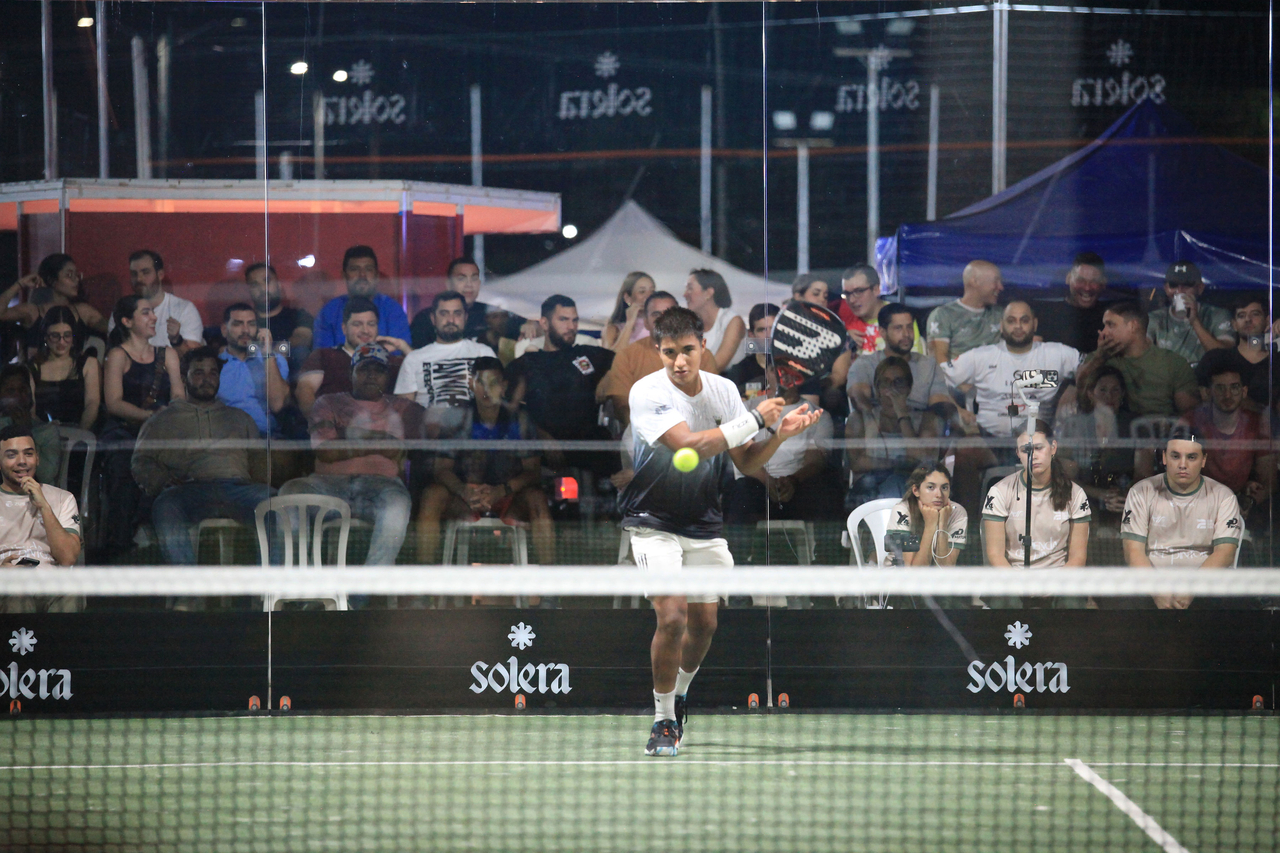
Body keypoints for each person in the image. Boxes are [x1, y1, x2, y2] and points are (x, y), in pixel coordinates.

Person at [620, 306, 821, 756]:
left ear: (703, 345)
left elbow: (746, 462)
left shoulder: (723, 391)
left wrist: (779, 435)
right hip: (653, 521)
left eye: (688, 350)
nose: (679, 362)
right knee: (672, 616)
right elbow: (688, 445)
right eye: (669, 352)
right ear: (658, 350)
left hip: (704, 522)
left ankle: (680, 695)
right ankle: (663, 718)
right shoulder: (647, 392)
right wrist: (756, 419)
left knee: (705, 623)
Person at [281, 344, 423, 580]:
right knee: (290, 492)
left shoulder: (402, 407)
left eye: (378, 371)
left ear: (388, 376)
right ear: (351, 374)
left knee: (398, 504)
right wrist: (379, 440)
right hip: (329, 487)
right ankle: (299, 581)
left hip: (379, 489)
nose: (371, 376)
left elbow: (435, 433)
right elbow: (326, 452)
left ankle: (368, 588)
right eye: (364, 369)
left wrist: (346, 435)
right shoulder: (328, 403)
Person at [132, 347, 274, 569]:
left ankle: (271, 584)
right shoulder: (163, 420)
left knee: (277, 503)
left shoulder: (239, 418)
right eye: (198, 373)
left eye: (213, 373)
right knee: (165, 506)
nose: (207, 379)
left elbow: (259, 461)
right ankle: (188, 586)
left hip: (238, 489)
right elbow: (141, 461)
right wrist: (162, 479)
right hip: (191, 490)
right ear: (183, 378)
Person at [416, 357, 553, 566]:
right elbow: (441, 469)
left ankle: (549, 582)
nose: (487, 390)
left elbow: (533, 471)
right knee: (432, 495)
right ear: (471, 384)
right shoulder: (456, 418)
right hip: (465, 499)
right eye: (481, 382)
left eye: (494, 382)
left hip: (509, 497)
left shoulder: (519, 419)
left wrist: (502, 490)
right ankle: (423, 579)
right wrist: (463, 490)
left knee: (537, 498)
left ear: (504, 386)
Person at [100, 294, 185, 561]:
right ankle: (122, 541)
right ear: (127, 321)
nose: (154, 317)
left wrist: (166, 419)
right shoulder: (117, 355)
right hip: (126, 432)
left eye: (153, 312)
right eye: (146, 312)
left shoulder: (167, 354)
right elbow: (114, 403)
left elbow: (179, 395)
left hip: (161, 432)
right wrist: (150, 417)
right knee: (125, 464)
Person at [725, 364, 838, 560]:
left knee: (826, 489)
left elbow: (815, 460)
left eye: (789, 370)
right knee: (739, 493)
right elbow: (742, 455)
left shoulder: (818, 415)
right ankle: (737, 567)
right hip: (757, 484)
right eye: (776, 370)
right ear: (767, 373)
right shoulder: (746, 410)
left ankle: (824, 565)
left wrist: (793, 481)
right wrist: (768, 481)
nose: (782, 376)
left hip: (797, 486)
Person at [1121, 431, 1242, 609]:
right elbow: (1133, 552)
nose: (1183, 465)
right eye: (1175, 456)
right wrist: (1157, 590)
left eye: (1191, 457)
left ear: (1203, 460)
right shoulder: (1140, 492)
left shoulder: (1224, 496)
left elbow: (1225, 553)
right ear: (1164, 457)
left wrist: (1192, 588)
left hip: (1205, 587)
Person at [506, 295, 618, 478]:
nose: (571, 326)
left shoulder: (588, 354)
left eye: (575, 320)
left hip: (589, 449)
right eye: (563, 320)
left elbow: (625, 362)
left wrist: (610, 375)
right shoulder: (528, 363)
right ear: (544, 323)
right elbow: (508, 409)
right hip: (543, 452)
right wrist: (540, 435)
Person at [982, 421, 1091, 606]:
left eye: (1039, 448)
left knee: (1072, 603)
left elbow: (1078, 557)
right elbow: (995, 554)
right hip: (1012, 578)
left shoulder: (1076, 494)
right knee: (1005, 602)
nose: (1033, 456)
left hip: (1059, 580)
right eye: (1026, 450)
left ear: (1053, 448)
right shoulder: (999, 492)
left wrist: (1052, 585)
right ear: (1018, 454)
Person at [941, 301, 1081, 442]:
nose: (1018, 326)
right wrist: (958, 410)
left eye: (1024, 321)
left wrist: (1074, 388)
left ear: (1035, 324)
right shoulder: (980, 357)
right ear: (1001, 326)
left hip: (1040, 443)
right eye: (1011, 321)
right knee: (966, 449)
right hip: (988, 441)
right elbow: (938, 379)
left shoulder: (1057, 354)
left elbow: (1091, 367)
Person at [595, 291, 720, 429]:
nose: (664, 320)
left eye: (670, 313)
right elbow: (622, 406)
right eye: (656, 314)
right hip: (642, 432)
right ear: (646, 322)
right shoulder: (627, 356)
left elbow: (712, 404)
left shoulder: (702, 356)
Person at [0, 425, 81, 613]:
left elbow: (68, 558)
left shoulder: (63, 498)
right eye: (11, 455)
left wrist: (44, 505)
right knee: (17, 594)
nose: (22, 461)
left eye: (28, 454)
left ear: (37, 458)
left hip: (51, 585)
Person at [1074, 300, 1199, 418]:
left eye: (1110, 325)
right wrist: (1098, 359)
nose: (1104, 332)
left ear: (1133, 326)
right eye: (1104, 325)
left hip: (1159, 430)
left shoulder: (1173, 363)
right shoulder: (1098, 359)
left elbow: (1190, 414)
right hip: (1110, 430)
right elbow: (1080, 395)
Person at [395, 291, 497, 433]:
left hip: (474, 432)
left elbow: (494, 401)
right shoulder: (414, 359)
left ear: (465, 317)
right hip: (429, 434)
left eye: (457, 313)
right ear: (433, 319)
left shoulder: (483, 353)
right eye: (444, 314)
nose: (451, 320)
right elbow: (405, 411)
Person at [845, 357, 940, 506]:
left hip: (910, 487)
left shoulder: (926, 420)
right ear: (877, 389)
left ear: (909, 387)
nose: (892, 389)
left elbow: (923, 460)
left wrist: (902, 415)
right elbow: (856, 463)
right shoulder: (861, 419)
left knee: (897, 483)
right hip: (869, 489)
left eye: (899, 382)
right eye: (885, 382)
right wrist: (897, 464)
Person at [1184, 365, 1273, 522]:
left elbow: (1268, 481)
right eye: (1220, 388)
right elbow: (1180, 478)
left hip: (1241, 507)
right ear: (1208, 392)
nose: (1227, 395)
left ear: (1244, 391)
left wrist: (1249, 502)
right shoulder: (1191, 422)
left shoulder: (1257, 424)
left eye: (1234, 387)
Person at [295, 296, 409, 416]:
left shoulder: (388, 360)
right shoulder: (324, 356)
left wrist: (403, 347)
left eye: (371, 324)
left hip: (383, 424)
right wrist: (319, 420)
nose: (365, 330)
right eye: (357, 324)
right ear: (344, 328)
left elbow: (419, 370)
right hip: (335, 422)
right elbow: (305, 390)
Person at [1055, 365, 1136, 530]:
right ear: (1090, 394)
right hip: (1084, 500)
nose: (1109, 396)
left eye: (1115, 390)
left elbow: (1143, 472)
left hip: (1126, 500)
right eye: (1103, 390)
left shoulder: (1134, 426)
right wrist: (1102, 495)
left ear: (1122, 394)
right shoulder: (1075, 426)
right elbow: (1067, 479)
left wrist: (1123, 495)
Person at [847, 303, 952, 416]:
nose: (906, 334)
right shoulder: (865, 364)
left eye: (909, 327)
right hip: (879, 420)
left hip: (920, 422)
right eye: (898, 328)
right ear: (882, 332)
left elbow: (938, 402)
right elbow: (858, 395)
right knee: (855, 419)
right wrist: (872, 419)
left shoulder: (929, 365)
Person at [409, 257, 536, 348]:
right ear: (448, 284)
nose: (469, 285)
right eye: (461, 279)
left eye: (474, 279)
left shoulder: (491, 314)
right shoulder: (427, 318)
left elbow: (525, 323)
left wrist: (530, 322)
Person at [313, 246, 411, 350]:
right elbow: (324, 356)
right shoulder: (329, 311)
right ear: (344, 276)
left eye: (368, 269)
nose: (362, 275)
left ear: (376, 276)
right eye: (355, 269)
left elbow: (400, 355)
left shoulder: (393, 310)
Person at [107, 250, 204, 354]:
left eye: (145, 272)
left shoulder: (184, 309)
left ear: (160, 274)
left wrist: (177, 341)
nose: (139, 279)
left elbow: (193, 358)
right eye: (134, 274)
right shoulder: (122, 310)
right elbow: (113, 353)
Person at [217, 303, 290, 437]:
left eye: (251, 324)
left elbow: (277, 405)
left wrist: (267, 354)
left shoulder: (276, 361)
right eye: (238, 324)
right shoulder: (214, 366)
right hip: (229, 438)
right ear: (224, 330)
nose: (246, 330)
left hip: (269, 438)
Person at [5, 253, 109, 347]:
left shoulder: (83, 311)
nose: (76, 280)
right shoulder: (33, 311)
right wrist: (20, 284)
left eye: (77, 275)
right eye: (69, 275)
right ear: (52, 280)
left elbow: (112, 330)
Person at [1146, 261, 1233, 367]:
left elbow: (1224, 357)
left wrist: (1194, 321)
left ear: (1200, 288)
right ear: (1166, 289)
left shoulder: (1217, 315)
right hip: (1169, 375)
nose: (1179, 291)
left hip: (1205, 376)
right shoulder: (1155, 318)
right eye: (1173, 285)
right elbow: (1141, 354)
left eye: (1186, 285)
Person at [27, 306, 101, 431]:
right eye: (55, 336)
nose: (61, 342)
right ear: (45, 337)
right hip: (43, 432)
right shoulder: (32, 367)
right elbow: (31, 411)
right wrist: (47, 431)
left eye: (67, 335)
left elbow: (92, 404)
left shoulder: (88, 363)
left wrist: (80, 433)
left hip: (79, 431)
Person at [1194, 295, 1272, 410]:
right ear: (1234, 324)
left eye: (1255, 314)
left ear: (1267, 321)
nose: (1247, 319)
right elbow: (1196, 397)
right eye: (1241, 315)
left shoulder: (1276, 361)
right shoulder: (1215, 359)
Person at [884, 463, 967, 567]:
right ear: (916, 490)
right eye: (931, 487)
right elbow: (914, 571)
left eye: (944, 488)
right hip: (898, 575)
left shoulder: (957, 512)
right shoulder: (903, 511)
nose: (939, 495)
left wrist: (943, 525)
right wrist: (930, 526)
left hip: (937, 577)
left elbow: (946, 569)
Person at [926, 260, 1004, 364]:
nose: (1001, 287)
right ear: (975, 281)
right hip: (956, 374)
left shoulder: (1001, 315)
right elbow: (939, 362)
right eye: (995, 281)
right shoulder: (943, 315)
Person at [1033, 252, 1113, 353]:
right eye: (1080, 280)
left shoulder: (1112, 317)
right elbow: (1033, 354)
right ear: (1068, 279)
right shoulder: (1045, 313)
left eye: (1094, 281)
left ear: (1103, 283)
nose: (1087, 287)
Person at [839, 265, 923, 356]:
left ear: (876, 290)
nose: (851, 300)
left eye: (858, 291)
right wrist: (844, 341)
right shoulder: (843, 324)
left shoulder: (900, 316)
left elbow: (914, 360)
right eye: (847, 294)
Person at [245, 262, 313, 372]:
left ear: (279, 285)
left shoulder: (298, 315)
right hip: (252, 376)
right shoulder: (244, 320)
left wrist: (283, 346)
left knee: (300, 352)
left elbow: (303, 337)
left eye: (267, 281)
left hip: (290, 374)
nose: (262, 289)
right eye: (254, 285)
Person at [0, 366, 62, 485]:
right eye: (11, 391)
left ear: (30, 395)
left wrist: (26, 434)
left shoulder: (47, 432)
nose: (18, 396)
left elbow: (46, 475)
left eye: (23, 390)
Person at [684, 269, 745, 372]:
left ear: (708, 293)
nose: (685, 294)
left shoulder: (733, 322)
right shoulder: (691, 326)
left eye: (690, 288)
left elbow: (716, 366)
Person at [722, 303, 780, 401]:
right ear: (751, 335)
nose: (769, 335)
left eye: (774, 328)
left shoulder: (796, 367)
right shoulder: (739, 372)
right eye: (762, 330)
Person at [603, 272, 657, 351]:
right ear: (627, 298)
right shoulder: (613, 328)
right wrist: (629, 323)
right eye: (642, 292)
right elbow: (609, 356)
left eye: (652, 291)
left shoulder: (659, 324)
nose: (649, 296)